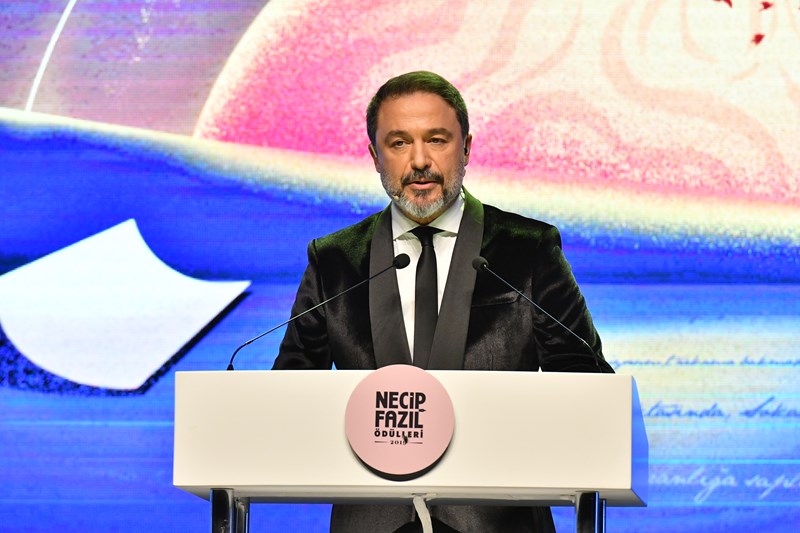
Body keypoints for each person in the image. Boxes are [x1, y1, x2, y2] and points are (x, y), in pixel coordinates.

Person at [273, 71, 613, 533]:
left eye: (436, 139)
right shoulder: (334, 260)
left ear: (466, 148)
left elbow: (588, 384)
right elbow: (288, 397)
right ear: (374, 156)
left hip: (499, 521)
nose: (419, 161)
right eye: (398, 143)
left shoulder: (528, 249)